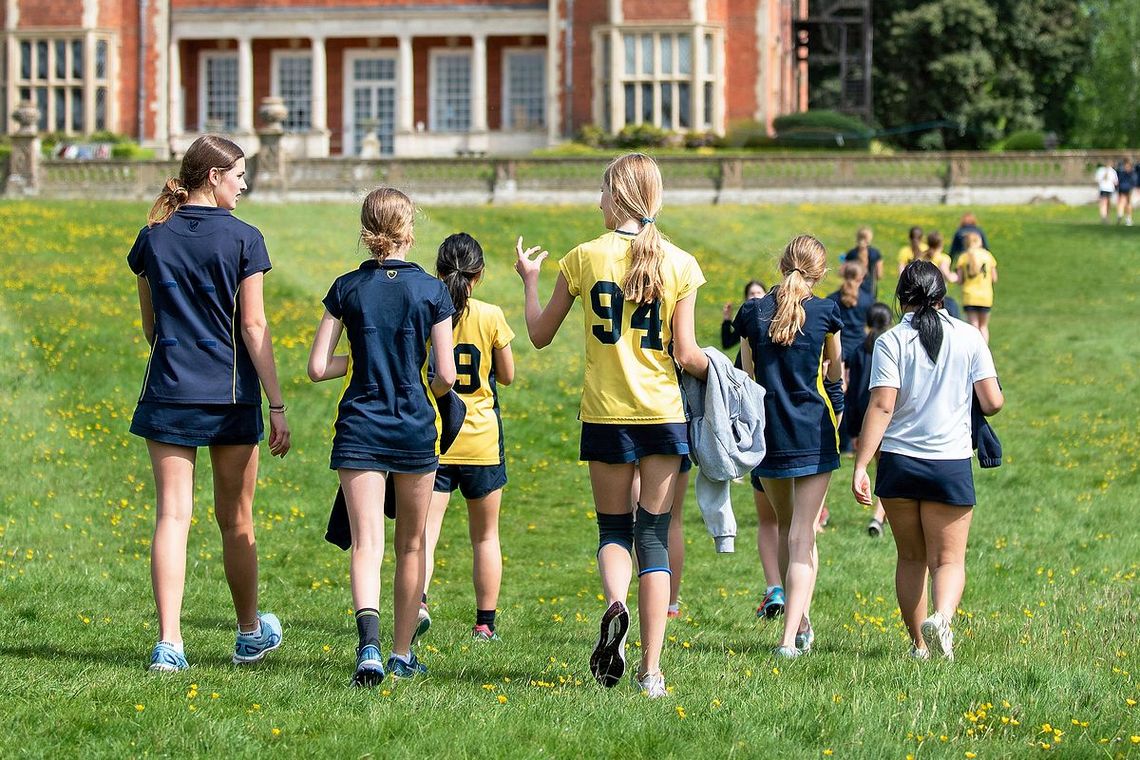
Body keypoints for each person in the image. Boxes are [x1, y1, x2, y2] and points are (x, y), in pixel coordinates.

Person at [515, 152, 709, 698]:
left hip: (605, 413)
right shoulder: (680, 263)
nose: (597, 201)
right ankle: (651, 671)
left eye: (602, 192)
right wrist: (721, 371)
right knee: (653, 536)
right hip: (663, 414)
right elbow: (687, 352)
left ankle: (615, 606)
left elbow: (538, 333)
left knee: (611, 530)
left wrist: (529, 280)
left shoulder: (583, 257)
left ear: (618, 196)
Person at [127, 135, 290, 672]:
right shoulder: (245, 238)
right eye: (239, 174)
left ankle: (170, 644)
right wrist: (277, 403)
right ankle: (248, 633)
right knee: (236, 519)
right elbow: (253, 326)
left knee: (172, 516)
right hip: (230, 395)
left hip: (170, 389)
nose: (244, 184)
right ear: (215, 176)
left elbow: (151, 326)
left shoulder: (152, 238)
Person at [308, 187, 457, 687]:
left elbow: (316, 367)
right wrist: (411, 367)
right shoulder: (433, 292)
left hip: (360, 423)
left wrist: (361, 360)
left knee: (366, 544)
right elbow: (446, 375)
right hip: (413, 425)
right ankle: (399, 653)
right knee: (411, 545)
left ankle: (367, 645)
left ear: (367, 229)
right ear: (408, 228)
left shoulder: (346, 287)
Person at [852, 261, 1003, 660]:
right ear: (942, 295)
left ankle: (919, 644)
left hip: (899, 463)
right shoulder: (969, 337)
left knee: (911, 558)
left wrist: (861, 465)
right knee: (948, 560)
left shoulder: (890, 342)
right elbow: (992, 402)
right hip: (949, 463)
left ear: (901, 298)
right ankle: (943, 617)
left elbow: (881, 407)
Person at [734, 234, 843, 659]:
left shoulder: (753, 313)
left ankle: (800, 620)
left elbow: (747, 374)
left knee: (785, 529)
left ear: (782, 265)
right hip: (813, 433)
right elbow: (834, 373)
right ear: (820, 274)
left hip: (770, 434)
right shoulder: (824, 313)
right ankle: (789, 638)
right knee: (803, 536)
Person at [421, 232, 515, 642]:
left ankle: (419, 602)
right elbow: (508, 376)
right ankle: (484, 623)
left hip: (438, 436)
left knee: (425, 531)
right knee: (485, 535)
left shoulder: (427, 311)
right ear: (478, 276)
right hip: (481, 437)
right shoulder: (491, 315)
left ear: (438, 271)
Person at [844, 302, 893, 537]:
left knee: (875, 468)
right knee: (885, 469)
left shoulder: (857, 352)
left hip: (864, 419)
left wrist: (853, 431)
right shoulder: (893, 349)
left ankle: (882, 514)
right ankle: (878, 516)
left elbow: (852, 393)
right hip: (887, 416)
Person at [826, 261, 871, 455]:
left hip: (840, 352)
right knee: (859, 396)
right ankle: (860, 439)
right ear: (861, 278)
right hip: (861, 353)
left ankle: (842, 443)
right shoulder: (868, 299)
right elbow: (868, 328)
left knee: (839, 396)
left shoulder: (832, 300)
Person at [956, 232, 998, 343]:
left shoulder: (963, 258)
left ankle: (974, 352)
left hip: (969, 295)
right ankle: (984, 352)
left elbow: (960, 280)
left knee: (973, 326)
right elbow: (994, 278)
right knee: (983, 327)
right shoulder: (988, 256)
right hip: (985, 295)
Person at [721, 279, 766, 367]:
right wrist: (727, 319)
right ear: (746, 298)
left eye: (759, 292)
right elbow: (727, 343)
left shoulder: (773, 318)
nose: (755, 296)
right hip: (744, 366)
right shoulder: (747, 320)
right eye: (752, 294)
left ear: (766, 295)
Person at [844, 227, 883, 299]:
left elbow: (844, 273)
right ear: (869, 238)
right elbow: (879, 275)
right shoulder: (875, 253)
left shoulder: (851, 254)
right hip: (871, 290)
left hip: (853, 290)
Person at [1115, 158, 1136, 226]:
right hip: (1127, 188)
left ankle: (1121, 214)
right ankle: (1127, 218)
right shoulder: (1130, 172)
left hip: (1123, 187)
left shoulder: (1121, 171)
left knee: (1123, 202)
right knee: (1127, 203)